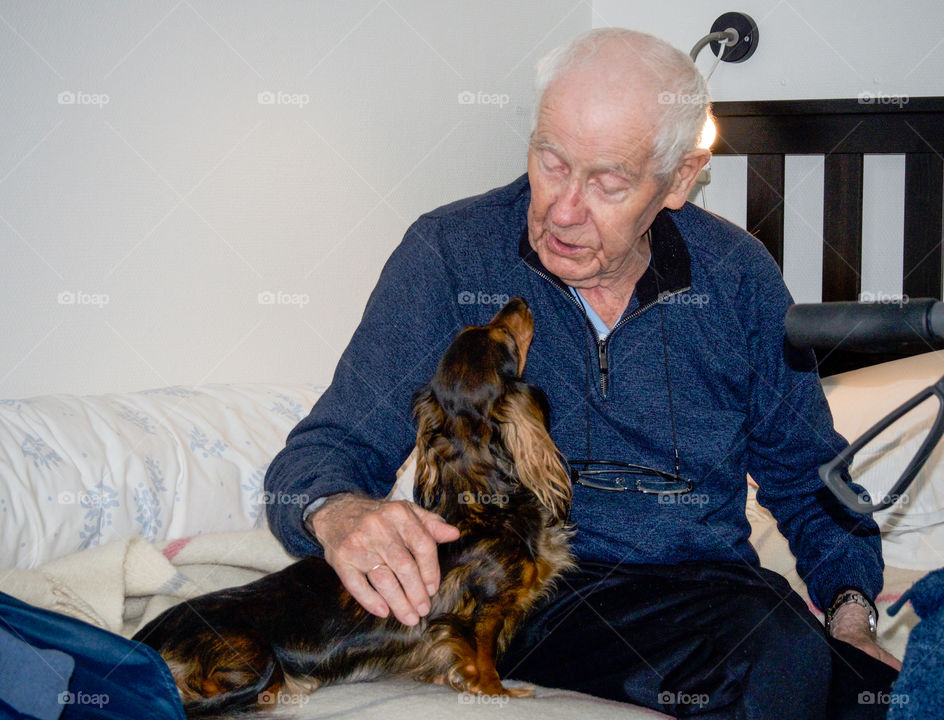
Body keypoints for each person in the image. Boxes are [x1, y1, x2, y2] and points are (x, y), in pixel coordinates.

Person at [265, 28, 900, 719]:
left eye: (607, 182)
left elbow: (810, 478)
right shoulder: (450, 255)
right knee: (773, 648)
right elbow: (320, 456)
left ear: (682, 178)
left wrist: (851, 613)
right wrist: (337, 509)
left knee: (867, 688)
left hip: (700, 597)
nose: (563, 210)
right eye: (551, 161)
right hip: (521, 596)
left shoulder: (737, 276)